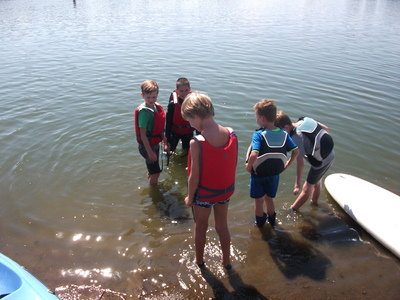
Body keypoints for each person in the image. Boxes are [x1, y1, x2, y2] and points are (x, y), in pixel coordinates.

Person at [182, 92, 238, 269]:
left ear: (196, 115)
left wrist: (190, 198)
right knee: (222, 225)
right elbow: (232, 161)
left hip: (205, 195)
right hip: (225, 191)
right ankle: (226, 260)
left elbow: (194, 177)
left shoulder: (197, 142)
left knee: (201, 227)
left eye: (190, 121)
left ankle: (199, 261)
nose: (191, 125)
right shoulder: (231, 133)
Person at [246, 99, 299, 228]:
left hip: (258, 174)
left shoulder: (259, 134)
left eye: (256, 116)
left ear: (262, 118)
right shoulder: (284, 134)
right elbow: (296, 151)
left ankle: (260, 226)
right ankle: (272, 223)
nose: (256, 118)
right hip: (275, 174)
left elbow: (254, 154)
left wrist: (248, 167)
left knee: (259, 202)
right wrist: (287, 164)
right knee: (269, 199)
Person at [275, 111, 335, 211]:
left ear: (286, 128)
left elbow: (300, 164)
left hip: (322, 162)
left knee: (307, 188)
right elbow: (326, 129)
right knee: (316, 181)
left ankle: (292, 210)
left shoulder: (296, 138)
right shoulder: (305, 120)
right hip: (329, 153)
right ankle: (314, 206)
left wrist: (297, 184)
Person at [134, 80, 168, 185]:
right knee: (156, 173)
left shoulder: (155, 107)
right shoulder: (144, 113)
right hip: (147, 146)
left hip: (154, 144)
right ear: (142, 95)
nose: (152, 100)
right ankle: (153, 191)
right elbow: (143, 135)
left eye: (154, 97)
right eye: (148, 97)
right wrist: (149, 152)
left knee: (153, 168)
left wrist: (164, 141)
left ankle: (150, 176)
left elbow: (159, 128)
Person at [165, 78, 195, 153]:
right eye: (181, 91)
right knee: (170, 152)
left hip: (188, 133)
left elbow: (198, 121)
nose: (184, 93)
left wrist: (199, 139)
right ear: (177, 90)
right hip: (175, 132)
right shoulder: (172, 104)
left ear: (190, 90)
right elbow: (168, 123)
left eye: (186, 90)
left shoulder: (194, 103)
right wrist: (167, 141)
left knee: (187, 153)